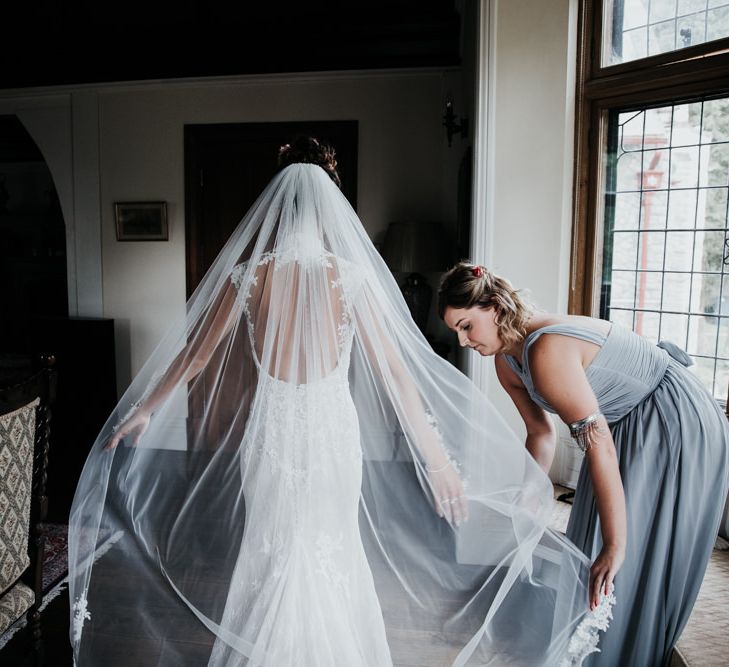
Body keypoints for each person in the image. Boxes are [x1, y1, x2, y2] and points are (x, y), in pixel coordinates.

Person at [69, 139, 611, 667]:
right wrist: (438, 462)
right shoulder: (350, 277)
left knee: (274, 545)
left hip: (273, 432)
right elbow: (398, 376)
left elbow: (194, 356)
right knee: (331, 546)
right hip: (331, 433)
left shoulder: (249, 275)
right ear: (333, 198)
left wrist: (145, 408)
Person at [439, 261, 729, 667]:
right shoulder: (507, 362)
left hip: (669, 418)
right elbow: (540, 435)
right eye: (456, 330)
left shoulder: (545, 352)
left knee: (624, 546)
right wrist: (528, 495)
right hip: (622, 426)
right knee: (591, 544)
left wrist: (615, 543)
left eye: (467, 325)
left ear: (497, 308)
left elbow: (600, 448)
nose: (463, 340)